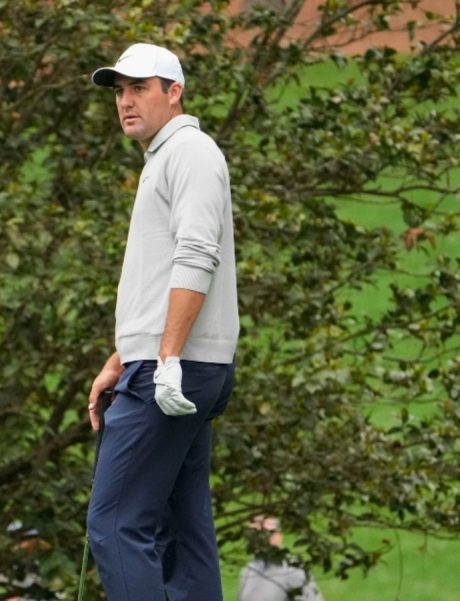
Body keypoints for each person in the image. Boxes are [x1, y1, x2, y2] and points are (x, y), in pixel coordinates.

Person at [84, 43, 240, 601]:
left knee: (117, 525)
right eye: (119, 92)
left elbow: (197, 256)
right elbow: (157, 284)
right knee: (181, 528)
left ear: (174, 92)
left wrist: (166, 359)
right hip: (170, 364)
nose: (125, 102)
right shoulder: (168, 157)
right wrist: (121, 357)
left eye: (139, 88)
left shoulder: (190, 153)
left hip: (172, 371)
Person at [237, 516, 325, 601]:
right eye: (255, 534)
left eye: (267, 533)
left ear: (278, 535)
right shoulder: (249, 569)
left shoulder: (292, 569)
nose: (261, 539)